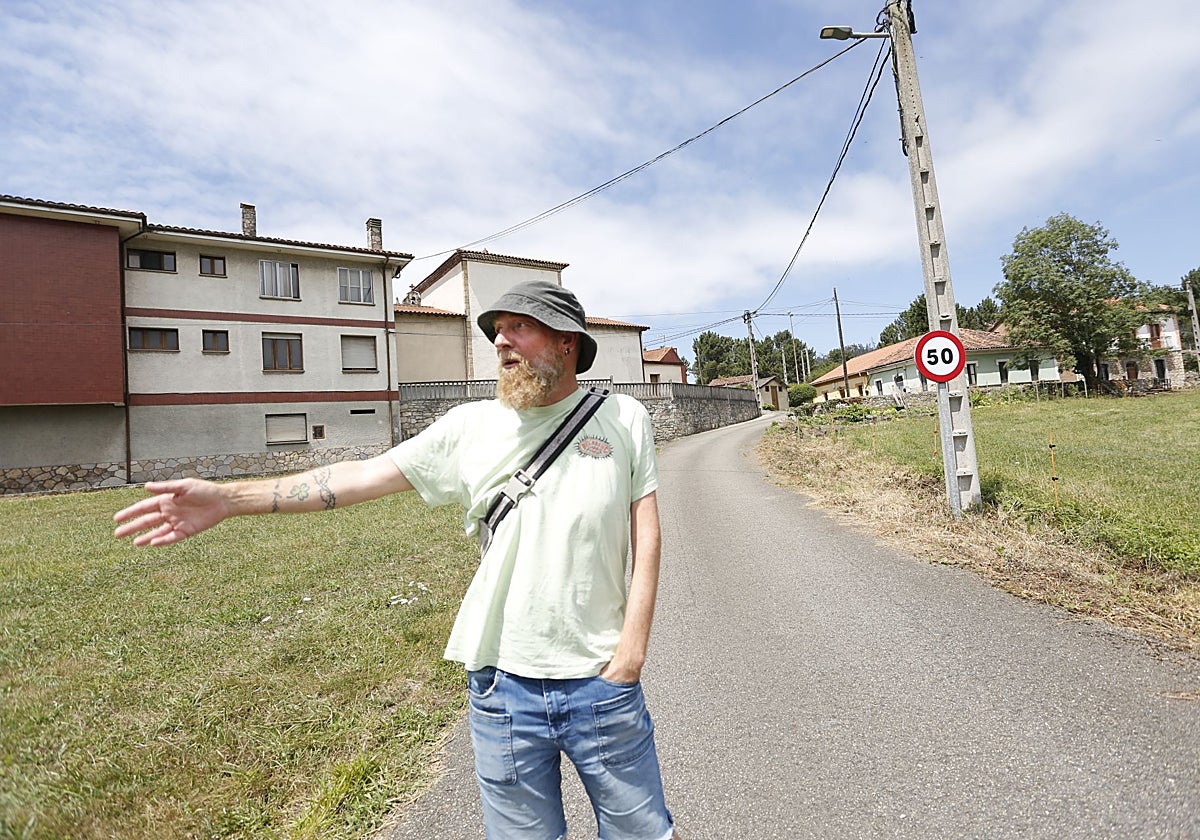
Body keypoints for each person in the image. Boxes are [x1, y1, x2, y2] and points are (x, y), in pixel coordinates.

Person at [114, 279, 681, 840]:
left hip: (601, 682)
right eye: (497, 331)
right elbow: (360, 475)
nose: (501, 343)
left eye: (519, 328)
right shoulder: (470, 428)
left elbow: (646, 534)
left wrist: (630, 653)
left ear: (567, 342)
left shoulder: (624, 418)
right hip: (503, 688)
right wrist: (232, 499)